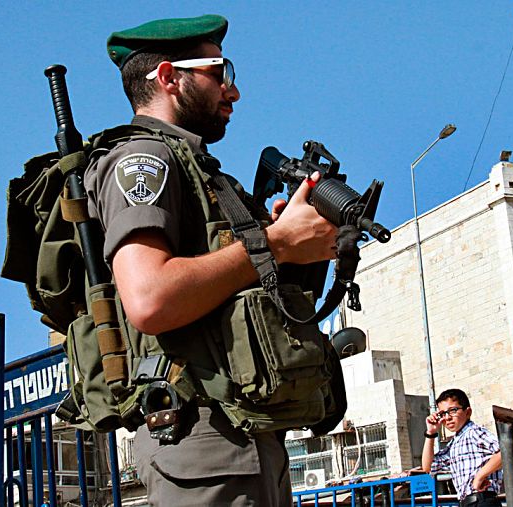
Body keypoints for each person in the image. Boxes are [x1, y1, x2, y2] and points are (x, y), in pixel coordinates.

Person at [86, 14, 338, 506]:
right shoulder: (143, 161)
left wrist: (290, 243)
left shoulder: (199, 169)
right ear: (168, 77)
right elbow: (149, 297)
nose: (233, 91)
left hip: (242, 432)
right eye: (219, 73)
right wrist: (276, 244)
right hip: (201, 440)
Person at [420, 389, 503, 507]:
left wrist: (480, 476)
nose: (447, 417)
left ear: (467, 412)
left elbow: (504, 453)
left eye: (453, 410)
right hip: (466, 502)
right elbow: (428, 466)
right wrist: (430, 433)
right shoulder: (454, 444)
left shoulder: (475, 432)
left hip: (482, 499)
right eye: (443, 413)